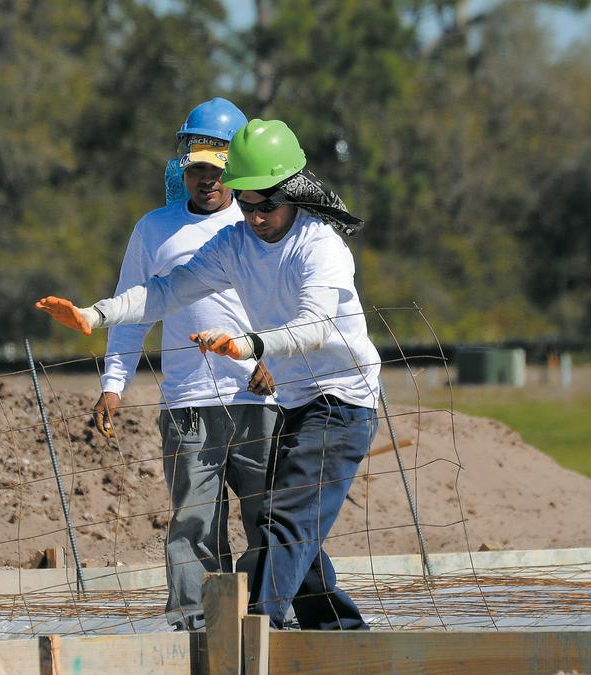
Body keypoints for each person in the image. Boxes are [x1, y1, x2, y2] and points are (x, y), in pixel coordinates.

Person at [36, 118, 380, 631]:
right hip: (294, 401)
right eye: (247, 203)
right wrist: (96, 314)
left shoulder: (319, 246)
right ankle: (341, 637)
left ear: (293, 193)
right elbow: (167, 290)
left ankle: (254, 632)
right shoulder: (234, 243)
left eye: (267, 205)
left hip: (342, 399)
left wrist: (248, 345)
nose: (256, 217)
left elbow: (316, 326)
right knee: (286, 525)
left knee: (285, 521)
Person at [88, 98, 279, 631]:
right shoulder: (155, 230)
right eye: (196, 169)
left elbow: (290, 303)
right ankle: (197, 624)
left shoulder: (259, 223)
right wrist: (114, 383)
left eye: (217, 170)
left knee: (268, 514)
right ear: (182, 168)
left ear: (236, 168)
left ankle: (268, 615)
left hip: (258, 397)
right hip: (188, 404)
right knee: (195, 521)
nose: (206, 180)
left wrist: (276, 360)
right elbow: (132, 310)